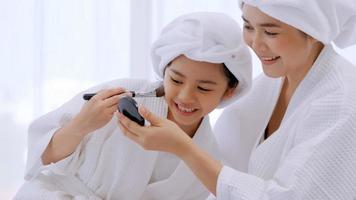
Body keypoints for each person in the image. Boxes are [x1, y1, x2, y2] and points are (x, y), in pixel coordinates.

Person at [118, 0, 356, 199]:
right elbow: (221, 159)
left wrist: (183, 147)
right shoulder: (270, 84)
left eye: (271, 32)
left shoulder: (340, 103)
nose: (255, 43)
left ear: (314, 31)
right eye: (248, 26)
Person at [14, 12, 252, 200]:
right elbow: (43, 156)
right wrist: (80, 126)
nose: (185, 96)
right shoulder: (118, 96)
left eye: (204, 88)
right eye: (176, 80)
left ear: (229, 90)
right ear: (164, 69)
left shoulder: (206, 155)